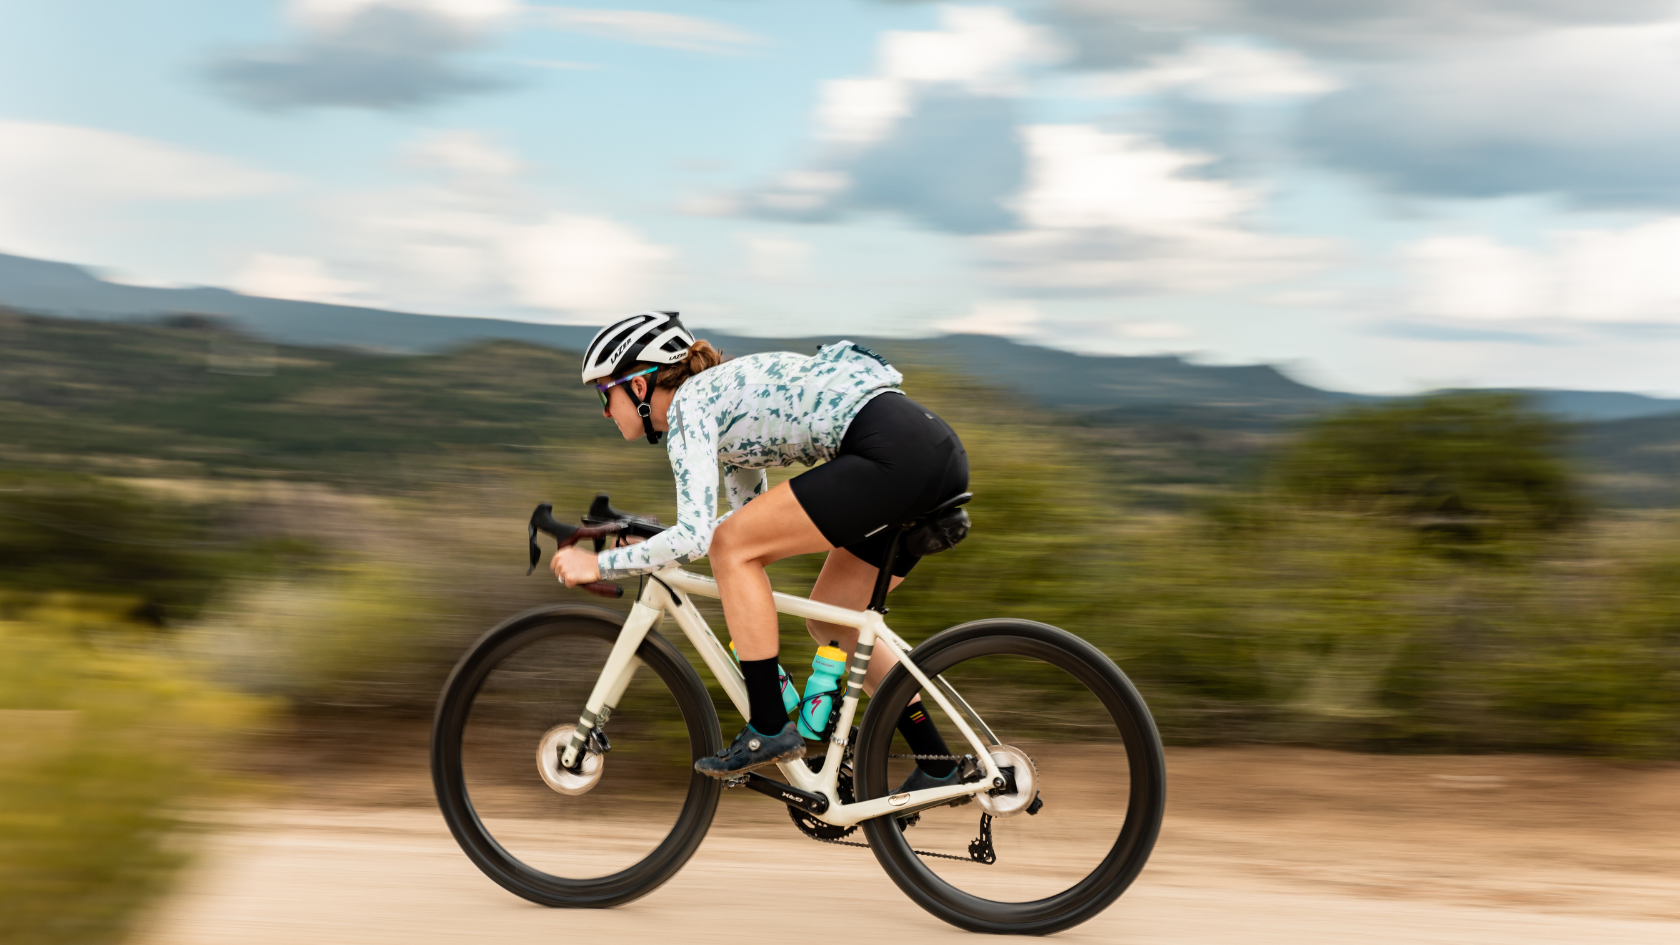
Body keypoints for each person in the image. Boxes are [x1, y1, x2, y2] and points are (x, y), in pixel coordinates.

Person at [552, 311, 970, 794]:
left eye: (607, 395)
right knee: (833, 617)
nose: (606, 411)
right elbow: (745, 523)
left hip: (892, 454)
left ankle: (769, 728)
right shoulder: (721, 406)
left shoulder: (690, 407)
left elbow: (711, 541)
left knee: (733, 551)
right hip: (930, 452)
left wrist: (597, 564)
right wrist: (651, 542)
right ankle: (937, 760)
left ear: (640, 388)